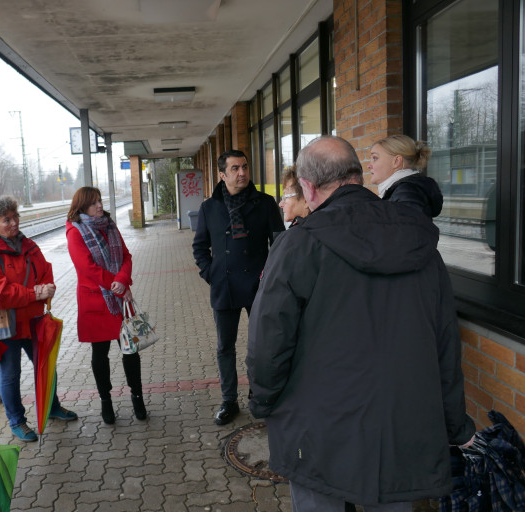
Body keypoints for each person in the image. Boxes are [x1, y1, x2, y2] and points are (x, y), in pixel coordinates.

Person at [246, 136, 476, 511]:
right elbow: (446, 345)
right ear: (356, 175)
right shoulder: (417, 241)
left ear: (308, 186)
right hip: (403, 429)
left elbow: (268, 339)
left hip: (317, 431)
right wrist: (455, 424)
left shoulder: (298, 244)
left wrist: (264, 400)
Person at [192, 149, 284, 425]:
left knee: (261, 345)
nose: (242, 172)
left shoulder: (265, 203)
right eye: (234, 168)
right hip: (225, 286)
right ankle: (228, 400)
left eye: (244, 167)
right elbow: (199, 246)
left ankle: (260, 395)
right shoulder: (210, 207)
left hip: (258, 284)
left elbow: (278, 245)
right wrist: (211, 273)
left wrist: (269, 277)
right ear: (222, 174)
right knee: (225, 347)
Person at [0, 195, 78, 441]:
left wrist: (49, 288)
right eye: (6, 220)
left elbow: (45, 271)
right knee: (11, 373)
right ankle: (17, 421)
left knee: (46, 366)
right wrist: (35, 292)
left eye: (15, 217)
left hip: (34, 318)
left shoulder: (29, 245)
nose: (13, 223)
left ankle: (51, 407)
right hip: (7, 322)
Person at [66, 186, 145, 425]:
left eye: (99, 201)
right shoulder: (75, 231)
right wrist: (116, 284)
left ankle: (138, 397)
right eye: (93, 203)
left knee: (130, 349)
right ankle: (105, 401)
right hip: (95, 302)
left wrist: (121, 281)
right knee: (100, 354)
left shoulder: (109, 225)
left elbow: (127, 256)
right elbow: (86, 268)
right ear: (82, 207)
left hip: (118, 299)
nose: (99, 206)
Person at [368, 134, 443, 217]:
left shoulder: (407, 193)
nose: (369, 165)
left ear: (396, 161)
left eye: (375, 158)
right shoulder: (401, 192)